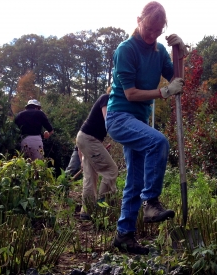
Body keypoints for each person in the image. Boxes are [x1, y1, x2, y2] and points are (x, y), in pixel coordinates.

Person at [105, 1, 187, 255]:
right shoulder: (126, 50)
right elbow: (130, 94)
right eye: (149, 28)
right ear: (139, 20)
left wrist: (181, 54)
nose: (152, 35)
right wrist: (163, 92)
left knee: (135, 178)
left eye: (158, 30)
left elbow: (178, 81)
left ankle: (124, 235)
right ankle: (150, 202)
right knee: (158, 142)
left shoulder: (160, 51)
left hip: (138, 122)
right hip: (119, 117)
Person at [76, 87, 118, 220]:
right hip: (89, 139)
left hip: (84, 138)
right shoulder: (106, 98)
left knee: (90, 175)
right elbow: (108, 121)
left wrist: (84, 152)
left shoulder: (105, 100)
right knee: (111, 170)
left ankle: (86, 211)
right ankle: (101, 204)